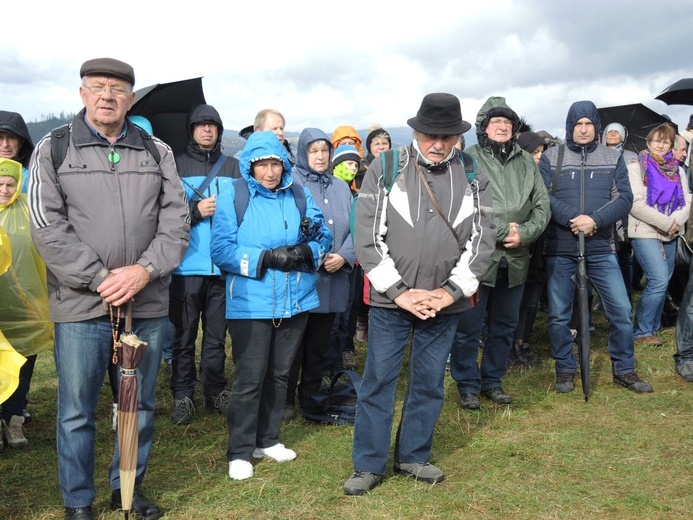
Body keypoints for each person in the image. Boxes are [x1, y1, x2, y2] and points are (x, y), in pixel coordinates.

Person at [27, 57, 190, 520]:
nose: (107, 96)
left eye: (117, 89)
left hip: (148, 302)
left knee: (136, 405)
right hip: (81, 305)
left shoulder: (157, 151)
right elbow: (46, 225)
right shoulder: (54, 148)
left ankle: (129, 491)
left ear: (130, 99)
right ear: (82, 93)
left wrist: (142, 271)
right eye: (97, 87)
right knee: (76, 409)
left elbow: (177, 222)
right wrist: (101, 279)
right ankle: (78, 501)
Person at [343, 93, 496, 495]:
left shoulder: (474, 172)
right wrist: (400, 293)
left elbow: (483, 241)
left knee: (428, 382)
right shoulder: (386, 166)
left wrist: (448, 293)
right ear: (415, 130)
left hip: (444, 304)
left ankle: (413, 455)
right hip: (391, 302)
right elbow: (367, 240)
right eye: (430, 134)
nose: (438, 143)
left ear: (458, 136)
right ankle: (369, 464)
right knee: (379, 380)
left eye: (447, 135)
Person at [210, 131, 332, 480]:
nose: (269, 171)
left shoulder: (299, 193)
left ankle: (268, 438)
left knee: (280, 374)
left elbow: (323, 233)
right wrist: (265, 258)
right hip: (251, 304)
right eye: (262, 164)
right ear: (250, 164)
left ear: (284, 163)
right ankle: (240, 450)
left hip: (295, 300)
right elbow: (221, 251)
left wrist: (307, 251)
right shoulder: (232, 194)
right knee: (250, 377)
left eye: (275, 163)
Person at [539, 100, 653, 395]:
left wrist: (595, 220)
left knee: (620, 308)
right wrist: (573, 220)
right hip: (561, 246)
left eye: (589, 124)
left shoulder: (612, 157)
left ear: (597, 127)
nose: (584, 129)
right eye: (578, 124)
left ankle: (624, 368)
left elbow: (624, 198)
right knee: (559, 314)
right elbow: (543, 197)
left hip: (601, 245)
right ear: (570, 127)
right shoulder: (552, 157)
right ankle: (564, 368)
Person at [449, 97, 550, 409]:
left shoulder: (525, 162)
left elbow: (542, 204)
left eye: (507, 122)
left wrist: (527, 234)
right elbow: (461, 206)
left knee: (505, 325)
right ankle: (467, 384)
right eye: (496, 122)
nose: (502, 126)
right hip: (479, 259)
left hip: (517, 259)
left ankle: (492, 381)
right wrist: (506, 232)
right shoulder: (468, 159)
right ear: (484, 128)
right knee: (468, 327)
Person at [169, 104, 241, 425]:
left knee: (216, 336)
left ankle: (214, 390)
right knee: (183, 335)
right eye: (200, 125)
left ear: (219, 131)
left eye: (212, 125)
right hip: (186, 267)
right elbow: (165, 212)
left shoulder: (235, 168)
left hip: (222, 268)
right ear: (192, 130)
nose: (207, 130)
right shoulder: (174, 166)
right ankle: (182, 394)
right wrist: (195, 210)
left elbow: (245, 211)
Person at [285, 129, 355, 418]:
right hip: (303, 277)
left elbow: (354, 226)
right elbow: (288, 225)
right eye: (313, 151)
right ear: (303, 153)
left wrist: (345, 255)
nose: (320, 156)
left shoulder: (340, 186)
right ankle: (286, 397)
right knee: (294, 342)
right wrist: (315, 253)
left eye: (324, 150)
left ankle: (311, 394)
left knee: (320, 342)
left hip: (335, 277)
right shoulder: (292, 184)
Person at [0, 158, 52, 449]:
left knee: (23, 363)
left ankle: (15, 418)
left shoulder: (27, 209)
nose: (5, 190)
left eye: (10, 184)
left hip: (25, 305)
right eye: (0, 184)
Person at [627, 124, 690, 346]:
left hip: (672, 232)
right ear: (648, 142)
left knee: (664, 281)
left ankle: (652, 327)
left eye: (666, 141)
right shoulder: (636, 168)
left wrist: (676, 222)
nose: (661, 144)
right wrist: (665, 222)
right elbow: (635, 204)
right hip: (644, 231)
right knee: (658, 279)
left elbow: (686, 199)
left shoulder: (678, 169)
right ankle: (642, 330)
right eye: (657, 140)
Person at [511, 131, 549, 366]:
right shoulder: (516, 179)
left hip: (541, 250)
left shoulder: (546, 176)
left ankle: (522, 342)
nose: (538, 157)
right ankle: (512, 346)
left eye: (542, 153)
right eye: (534, 152)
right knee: (516, 302)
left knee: (531, 302)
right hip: (521, 248)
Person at [327, 144, 362, 372]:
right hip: (325, 262)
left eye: (356, 165)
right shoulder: (326, 193)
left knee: (346, 312)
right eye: (348, 163)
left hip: (349, 263)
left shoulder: (357, 196)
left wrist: (345, 254)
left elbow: (357, 229)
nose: (352, 169)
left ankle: (338, 361)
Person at [0, 111, 34, 193]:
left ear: (21, 142)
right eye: (0, 137)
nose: (5, 144)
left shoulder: (33, 176)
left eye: (11, 137)